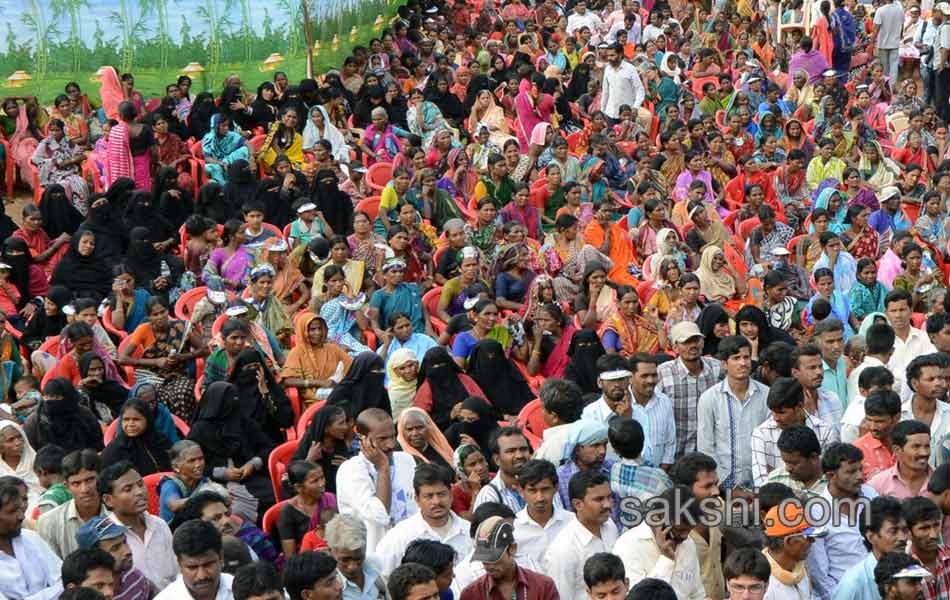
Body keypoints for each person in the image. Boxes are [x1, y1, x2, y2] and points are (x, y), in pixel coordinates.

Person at [335, 408, 417, 554]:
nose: (391, 444)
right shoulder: (350, 470)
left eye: (393, 436)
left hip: (411, 548)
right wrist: (382, 468)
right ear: (362, 438)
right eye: (382, 439)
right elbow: (379, 515)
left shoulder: (406, 460)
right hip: (375, 555)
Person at [187, 382, 277, 511]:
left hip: (249, 478)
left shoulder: (244, 422)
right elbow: (191, 465)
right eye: (228, 402)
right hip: (213, 482)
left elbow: (268, 447)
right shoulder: (200, 430)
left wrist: (252, 464)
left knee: (276, 495)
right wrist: (222, 473)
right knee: (232, 508)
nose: (233, 405)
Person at [697, 336, 770, 491]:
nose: (743, 363)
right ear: (724, 364)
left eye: (746, 357)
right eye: (736, 358)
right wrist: (729, 487)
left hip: (761, 484)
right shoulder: (709, 398)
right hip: (723, 487)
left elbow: (771, 441)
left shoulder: (765, 395)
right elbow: (706, 448)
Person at [375, 463, 472, 576]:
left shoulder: (469, 531)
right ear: (417, 499)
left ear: (451, 495)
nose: (436, 502)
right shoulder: (399, 537)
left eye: (441, 494)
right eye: (429, 496)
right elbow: (382, 577)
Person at [613, 485, 705, 600]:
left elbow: (697, 592)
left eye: (689, 530)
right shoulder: (628, 546)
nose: (685, 536)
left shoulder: (688, 543)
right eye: (680, 530)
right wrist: (666, 559)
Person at [97, 461, 177, 590]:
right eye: (128, 489)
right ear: (108, 500)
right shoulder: (105, 539)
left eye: (140, 484)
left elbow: (176, 574)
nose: (139, 492)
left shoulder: (160, 525)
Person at [543, 469, 618, 600]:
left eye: (609, 497)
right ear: (578, 504)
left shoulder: (610, 526)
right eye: (599, 499)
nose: (607, 504)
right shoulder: (563, 550)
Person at [751, 377, 838, 486]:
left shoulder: (825, 431)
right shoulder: (761, 434)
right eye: (773, 412)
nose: (775, 418)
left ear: (799, 406)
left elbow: (831, 474)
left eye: (781, 412)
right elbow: (760, 482)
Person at [460, 515, 559, 600]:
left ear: (512, 549)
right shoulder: (471, 594)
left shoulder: (543, 586)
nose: (489, 566)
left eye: (494, 558)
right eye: (484, 560)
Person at [832, 496, 909, 600]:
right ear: (872, 537)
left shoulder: (912, 569)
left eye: (904, 530)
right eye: (893, 531)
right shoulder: (853, 582)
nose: (903, 538)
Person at [36, 449, 105, 559]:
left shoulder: (118, 512)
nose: (85, 489)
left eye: (90, 480)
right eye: (76, 483)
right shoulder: (49, 522)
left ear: (100, 478)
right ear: (67, 486)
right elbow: (52, 570)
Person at [0, 479, 62, 600]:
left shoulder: (31, 538)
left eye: (20, 509)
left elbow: (63, 581)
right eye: (12, 511)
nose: (21, 516)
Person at [280, 312, 353, 406]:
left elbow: (351, 366)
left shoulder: (332, 348)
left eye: (320, 329)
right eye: (312, 329)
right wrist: (319, 383)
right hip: (314, 402)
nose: (317, 333)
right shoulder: (297, 352)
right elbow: (287, 380)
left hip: (337, 394)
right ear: (303, 331)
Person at [74, 514, 153, 600]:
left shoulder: (135, 578)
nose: (128, 551)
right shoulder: (85, 596)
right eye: (115, 548)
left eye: (125, 542)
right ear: (93, 557)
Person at [154, 520, 232, 600]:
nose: (202, 576)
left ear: (221, 558)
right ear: (179, 564)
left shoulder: (240, 591)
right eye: (192, 567)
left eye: (208, 564)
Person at [24, 378, 103, 455]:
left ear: (69, 397)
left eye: (57, 397)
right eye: (47, 397)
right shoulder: (34, 422)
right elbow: (31, 454)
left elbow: (97, 445)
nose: (50, 402)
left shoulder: (85, 415)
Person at [761, 502, 822, 600]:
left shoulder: (800, 568)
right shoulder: (761, 583)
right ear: (789, 542)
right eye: (808, 537)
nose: (813, 541)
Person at [276, 461, 336, 558]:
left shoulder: (331, 499)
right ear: (299, 487)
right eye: (315, 481)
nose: (322, 484)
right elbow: (291, 557)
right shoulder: (287, 513)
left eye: (322, 478)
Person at [291, 404, 353, 496]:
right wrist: (309, 460)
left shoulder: (340, 443)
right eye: (341, 423)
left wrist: (348, 466)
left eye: (345, 422)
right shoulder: (310, 444)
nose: (345, 427)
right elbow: (293, 478)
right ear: (326, 428)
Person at [473, 427, 533, 514]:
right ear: (497, 459)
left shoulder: (542, 485)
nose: (519, 455)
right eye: (511, 451)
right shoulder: (490, 496)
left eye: (523, 449)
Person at [868, 420, 933, 498]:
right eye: (916, 446)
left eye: (927, 446)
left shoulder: (944, 483)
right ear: (897, 450)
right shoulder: (878, 485)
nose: (924, 453)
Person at [902, 497, 950, 598]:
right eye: (924, 528)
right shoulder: (902, 569)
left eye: (936, 525)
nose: (933, 535)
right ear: (908, 532)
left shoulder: (948, 557)